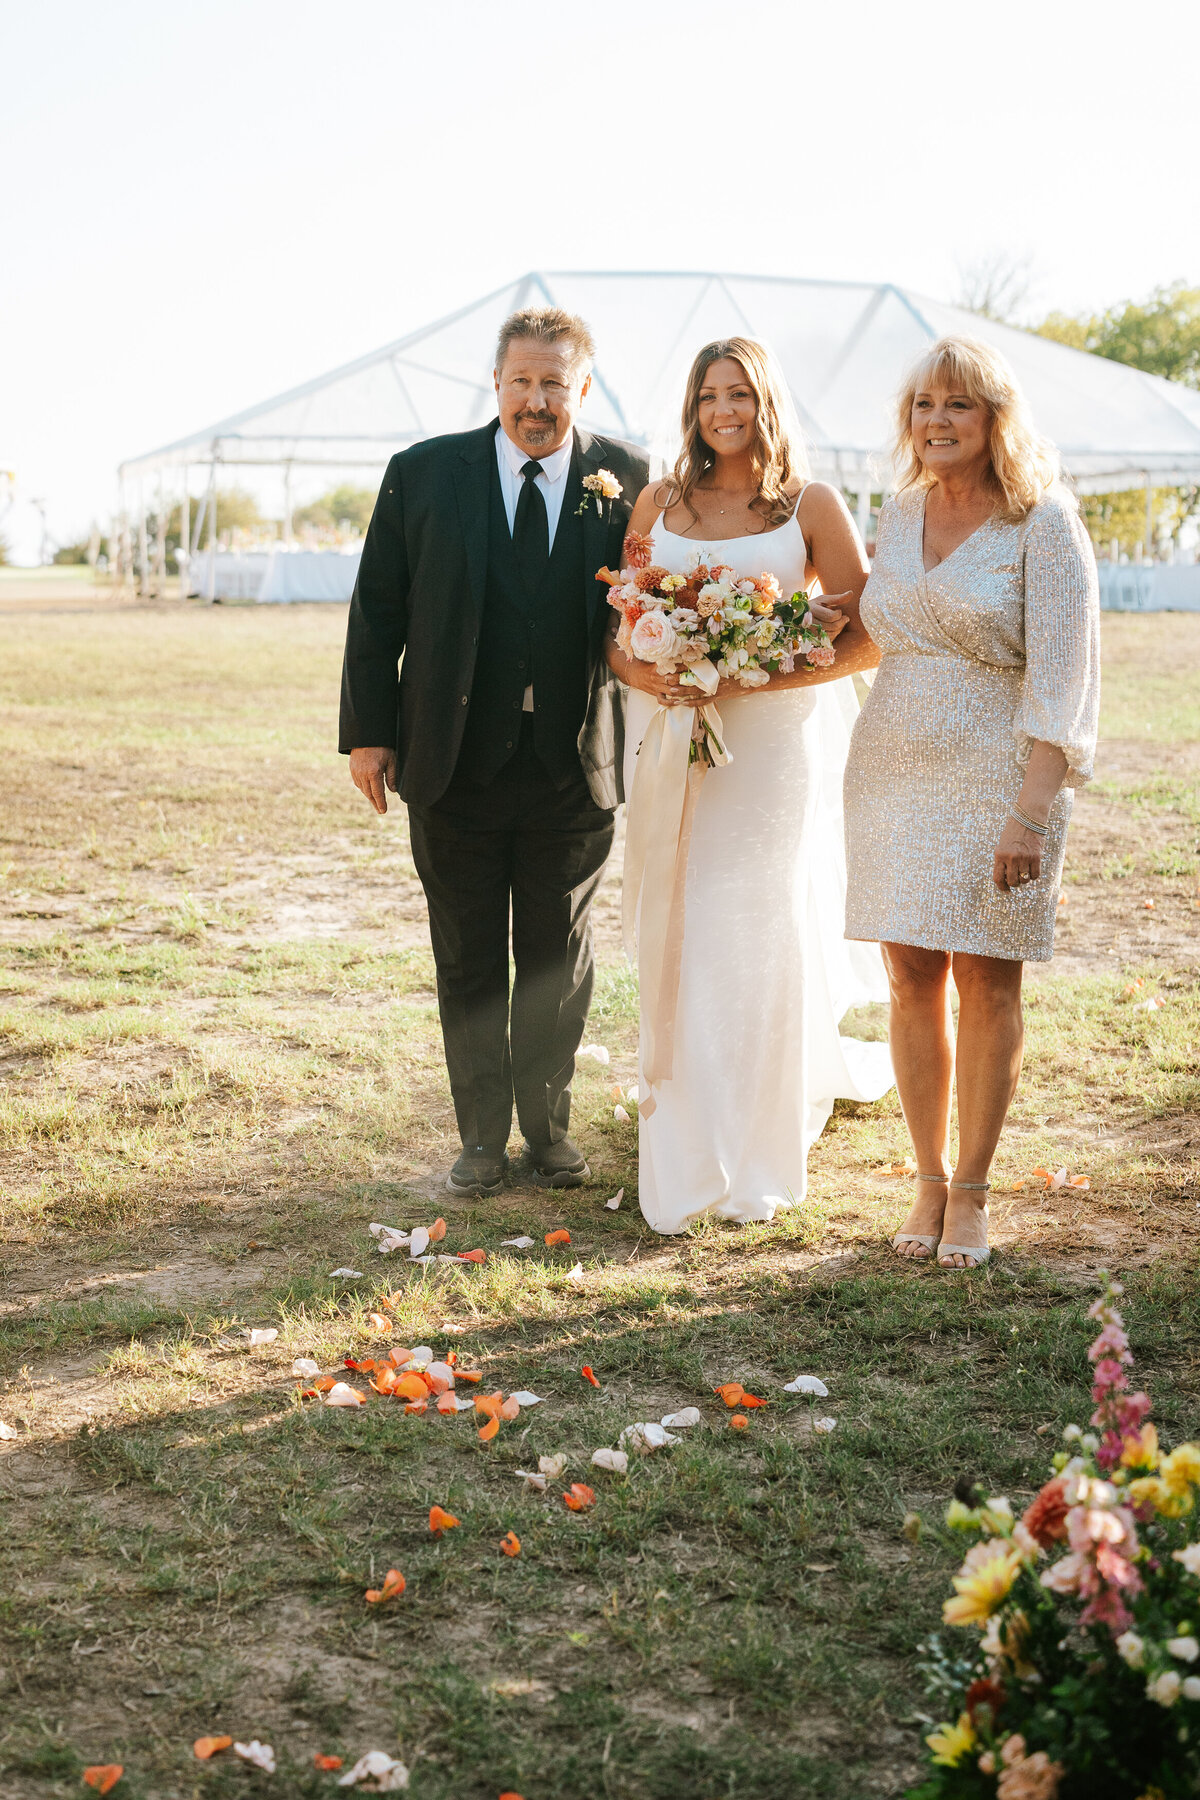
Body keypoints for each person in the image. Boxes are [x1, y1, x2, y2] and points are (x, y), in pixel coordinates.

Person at [340, 306, 652, 1197]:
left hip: (575, 763)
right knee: (469, 954)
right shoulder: (424, 474)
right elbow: (378, 609)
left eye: (555, 383)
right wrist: (369, 732)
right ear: (496, 384)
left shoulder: (628, 479)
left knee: (558, 953)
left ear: (582, 389)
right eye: (521, 380)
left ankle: (549, 1134)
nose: (537, 400)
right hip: (449, 761)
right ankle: (480, 1139)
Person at [607, 337, 894, 1235]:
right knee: (683, 920)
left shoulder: (808, 504)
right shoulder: (660, 500)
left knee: (760, 925)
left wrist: (753, 674)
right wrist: (653, 672)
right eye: (707, 395)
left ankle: (762, 1143)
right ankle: (690, 1126)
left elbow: (867, 631)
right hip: (679, 735)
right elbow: (621, 620)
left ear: (765, 400)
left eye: (738, 394)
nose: (722, 410)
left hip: (772, 750)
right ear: (692, 408)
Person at [841, 336, 1100, 1267]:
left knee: (988, 978)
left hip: (1000, 776)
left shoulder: (1043, 520)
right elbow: (879, 628)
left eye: (958, 405)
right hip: (890, 769)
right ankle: (928, 1180)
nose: (937, 422)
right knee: (910, 976)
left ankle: (977, 1193)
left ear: (996, 417)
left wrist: (1032, 809)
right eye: (923, 406)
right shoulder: (899, 509)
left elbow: (1064, 678)